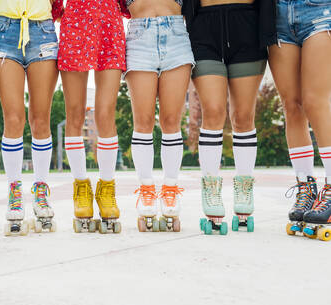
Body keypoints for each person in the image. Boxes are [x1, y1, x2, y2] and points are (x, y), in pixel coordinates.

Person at [183, 0, 276, 234]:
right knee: (213, 111)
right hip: (204, 29)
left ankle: (244, 188)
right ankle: (211, 188)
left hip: (247, 26)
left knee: (243, 116)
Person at [120, 0, 193, 232]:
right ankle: (147, 191)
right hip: (139, 34)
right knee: (143, 121)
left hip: (176, 34)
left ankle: (170, 190)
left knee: (171, 120)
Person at [0, 0, 63, 235]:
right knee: (13, 118)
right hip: (4, 32)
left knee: (40, 119)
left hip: (43, 30)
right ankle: (14, 192)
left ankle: (41, 191)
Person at [55, 0, 125, 234]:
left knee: (106, 113)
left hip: (110, 26)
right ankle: (82, 187)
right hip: (76, 23)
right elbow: (54, 6)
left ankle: (106, 188)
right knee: (75, 112)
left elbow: (127, 6)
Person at [268, 0, 331, 241]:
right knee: (292, 106)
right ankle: (305, 187)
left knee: (315, 101)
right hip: (277, 15)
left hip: (319, 9)